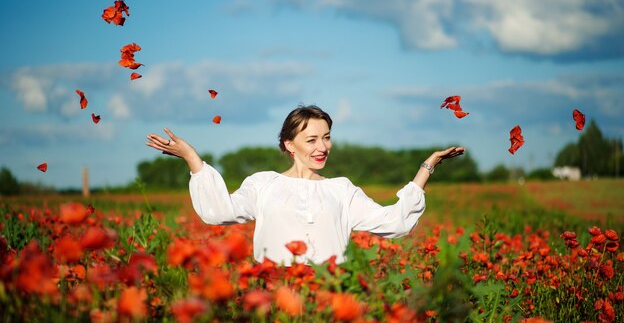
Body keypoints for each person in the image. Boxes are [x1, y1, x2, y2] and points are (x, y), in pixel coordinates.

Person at [146, 105, 464, 266]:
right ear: (289, 144)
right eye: (311, 139)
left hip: (329, 295)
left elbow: (396, 222)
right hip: (275, 296)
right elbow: (218, 211)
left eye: (326, 137)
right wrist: (190, 157)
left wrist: (428, 166)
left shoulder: (342, 189)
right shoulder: (263, 184)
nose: (322, 147)